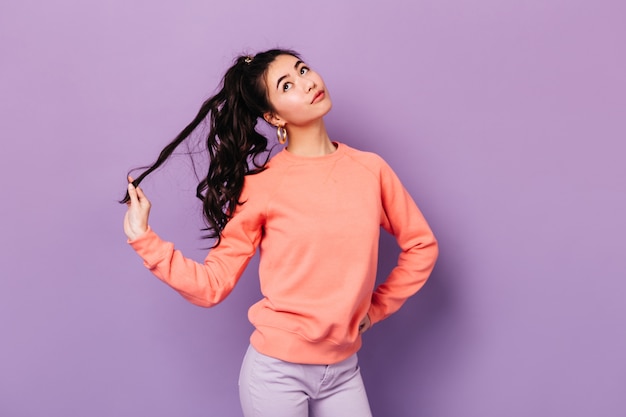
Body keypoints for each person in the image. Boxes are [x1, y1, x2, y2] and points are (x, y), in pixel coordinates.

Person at [121, 48, 438, 417]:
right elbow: (212, 286)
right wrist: (144, 239)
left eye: (303, 70)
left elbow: (421, 245)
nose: (307, 83)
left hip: (343, 369)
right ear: (272, 116)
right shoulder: (261, 186)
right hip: (276, 374)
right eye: (288, 84)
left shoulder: (371, 169)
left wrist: (377, 307)